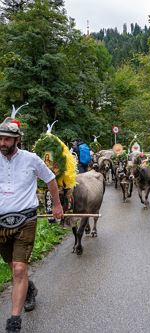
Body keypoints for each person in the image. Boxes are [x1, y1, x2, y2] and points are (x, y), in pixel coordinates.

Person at [0, 117, 64, 332]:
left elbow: (50, 179)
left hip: (25, 219)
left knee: (19, 269)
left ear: (17, 140)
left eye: (7, 139)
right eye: (0, 139)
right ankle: (29, 289)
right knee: (14, 267)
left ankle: (14, 322)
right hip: (0, 222)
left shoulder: (31, 159)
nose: (2, 143)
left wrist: (57, 205)